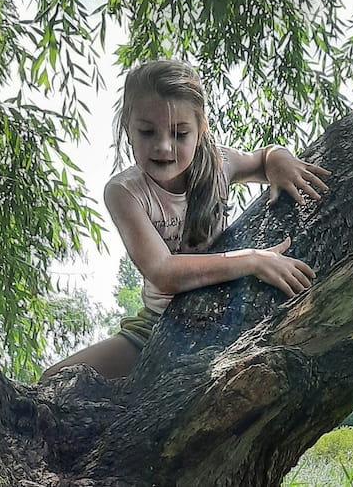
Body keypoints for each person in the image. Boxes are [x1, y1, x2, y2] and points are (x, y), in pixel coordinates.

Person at [40, 60, 331, 381]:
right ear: (127, 127)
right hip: (157, 326)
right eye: (147, 131)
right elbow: (163, 273)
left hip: (231, 310)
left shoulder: (220, 164)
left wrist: (279, 158)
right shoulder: (125, 192)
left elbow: (263, 158)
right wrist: (252, 261)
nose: (163, 146)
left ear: (201, 129)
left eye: (180, 134)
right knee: (55, 381)